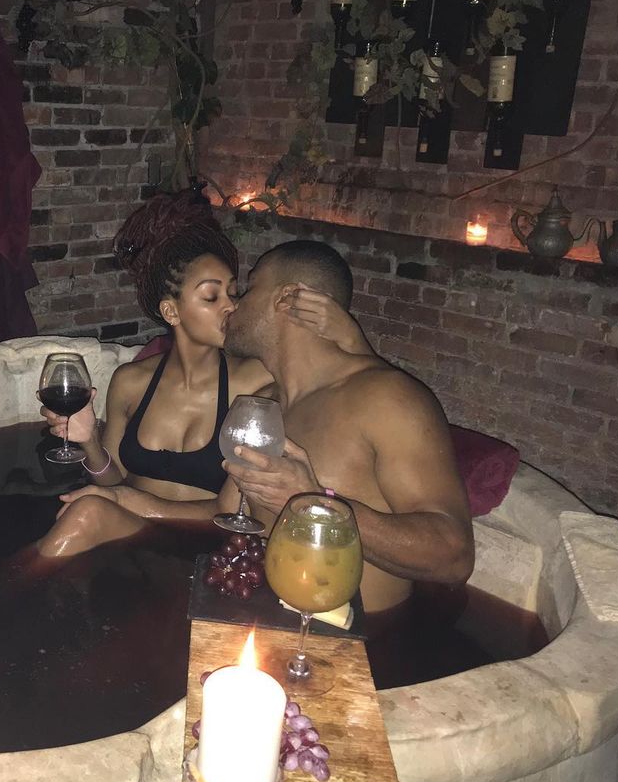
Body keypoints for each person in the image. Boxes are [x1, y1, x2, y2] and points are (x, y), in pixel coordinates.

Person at [45, 239, 473, 613]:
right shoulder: (263, 407)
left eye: (246, 289)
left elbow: (453, 557)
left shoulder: (385, 398)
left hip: (352, 641)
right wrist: (120, 498)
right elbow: (221, 514)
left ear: (287, 299)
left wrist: (312, 501)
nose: (235, 304)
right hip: (254, 612)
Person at [37, 193, 371, 553]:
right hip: (129, 534)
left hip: (207, 543)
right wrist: (88, 440)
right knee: (86, 512)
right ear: (171, 312)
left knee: (86, 512)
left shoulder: (256, 384)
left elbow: (334, 378)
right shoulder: (130, 381)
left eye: (234, 292)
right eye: (212, 297)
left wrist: (351, 336)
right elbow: (112, 480)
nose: (231, 306)